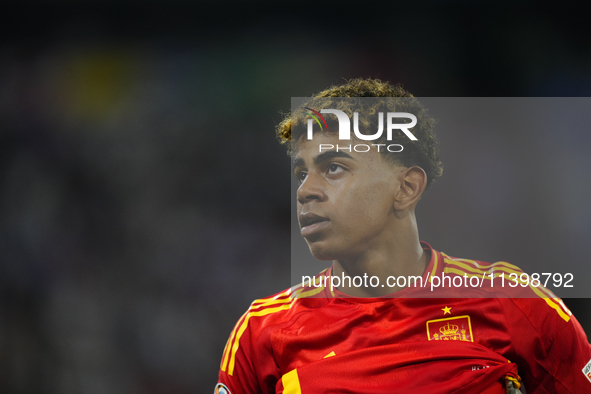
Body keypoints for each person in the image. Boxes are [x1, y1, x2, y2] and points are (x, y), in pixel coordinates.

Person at [215, 79, 591, 393]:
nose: (304, 190)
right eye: (301, 173)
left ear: (407, 188)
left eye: (333, 168)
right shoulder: (263, 333)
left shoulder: (514, 303)